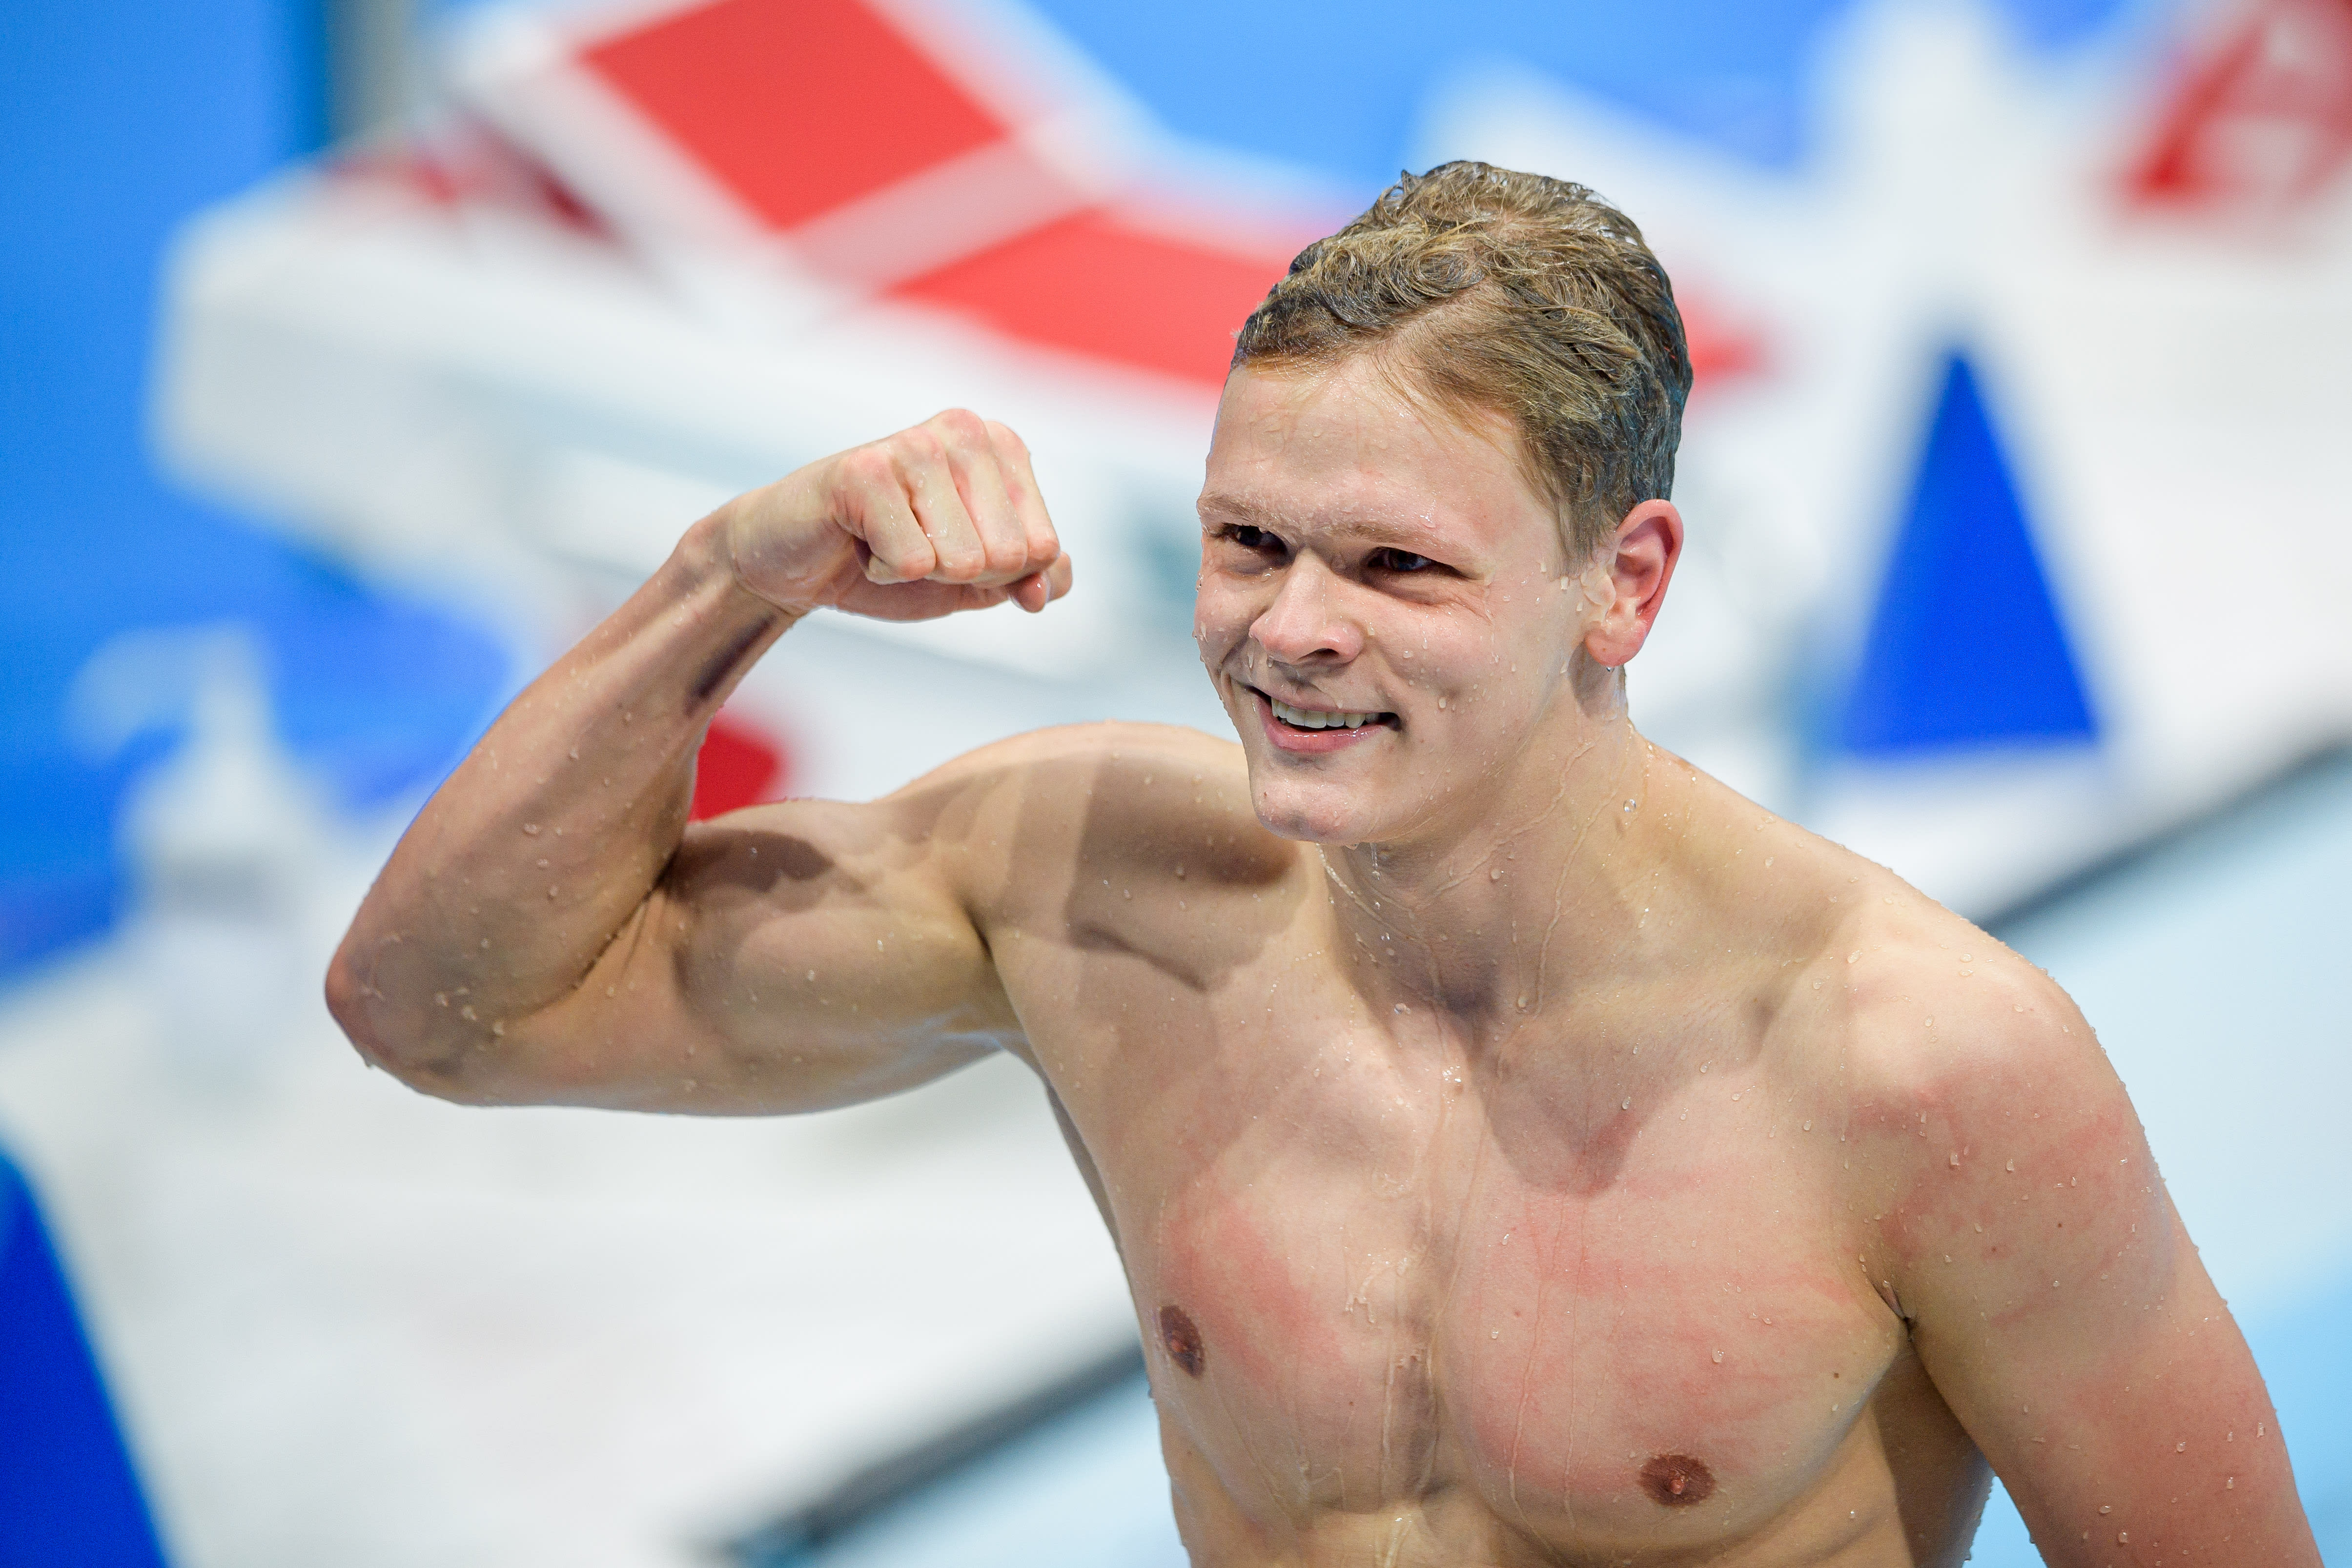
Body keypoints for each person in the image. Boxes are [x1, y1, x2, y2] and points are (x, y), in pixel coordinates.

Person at [327, 163, 2319, 1567]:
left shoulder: (1916, 1067)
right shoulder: (1081, 885)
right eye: (1248, 544)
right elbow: (443, 1014)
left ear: (1621, 584)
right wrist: (724, 579)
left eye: (1394, 567)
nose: (1289, 631)